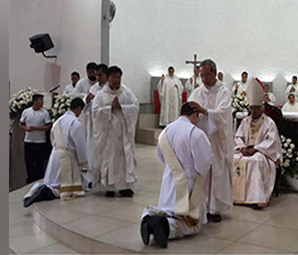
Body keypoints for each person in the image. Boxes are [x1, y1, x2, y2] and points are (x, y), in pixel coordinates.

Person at [140, 103, 214, 248]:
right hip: (188, 183)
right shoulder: (195, 133)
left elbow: (161, 156)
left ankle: (147, 218)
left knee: (167, 210)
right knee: (190, 223)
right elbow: (203, 165)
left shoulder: (166, 131)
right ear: (194, 115)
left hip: (169, 179)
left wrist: (173, 167)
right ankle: (163, 227)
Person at [187, 59, 234, 223]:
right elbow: (188, 107)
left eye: (207, 75)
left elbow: (223, 113)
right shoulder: (198, 92)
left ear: (214, 73)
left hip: (216, 142)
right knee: (201, 171)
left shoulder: (223, 92)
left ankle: (215, 208)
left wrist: (205, 111)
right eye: (202, 76)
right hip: (200, 139)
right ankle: (201, 206)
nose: (204, 79)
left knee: (216, 171)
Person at [23, 98, 88, 207]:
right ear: (78, 109)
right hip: (67, 157)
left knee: (51, 182)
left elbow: (52, 138)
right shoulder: (76, 123)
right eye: (80, 111)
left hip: (55, 154)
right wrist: (83, 161)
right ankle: (42, 193)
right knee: (59, 187)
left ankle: (36, 190)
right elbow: (80, 144)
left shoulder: (58, 121)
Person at [232, 78, 282, 209]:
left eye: (255, 109)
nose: (253, 112)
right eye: (251, 109)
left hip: (263, 154)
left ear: (261, 108)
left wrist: (256, 149)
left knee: (255, 161)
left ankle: (256, 199)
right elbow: (238, 136)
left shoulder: (269, 123)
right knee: (233, 159)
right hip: (246, 152)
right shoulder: (245, 122)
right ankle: (234, 197)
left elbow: (272, 142)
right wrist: (242, 148)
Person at [91, 66, 140, 197]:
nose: (116, 80)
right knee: (109, 158)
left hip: (123, 132)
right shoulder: (101, 95)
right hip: (108, 134)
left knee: (124, 157)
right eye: (113, 77)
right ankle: (110, 186)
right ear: (108, 78)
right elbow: (95, 111)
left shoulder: (127, 92)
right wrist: (109, 109)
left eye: (118, 77)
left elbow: (135, 107)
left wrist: (122, 108)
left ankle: (124, 186)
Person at [20, 94, 53, 183]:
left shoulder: (44, 113)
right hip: (29, 141)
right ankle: (30, 180)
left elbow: (48, 126)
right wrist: (26, 129)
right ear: (34, 101)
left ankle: (39, 181)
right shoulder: (26, 112)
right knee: (29, 163)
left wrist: (37, 128)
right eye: (40, 100)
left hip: (40, 142)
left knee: (39, 164)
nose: (42, 102)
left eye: (42, 100)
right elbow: (21, 124)